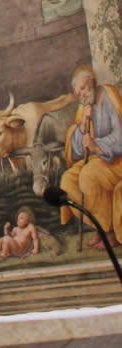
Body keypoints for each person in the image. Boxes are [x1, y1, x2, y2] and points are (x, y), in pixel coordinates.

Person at [59, 65, 122, 249]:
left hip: (117, 159)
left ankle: (110, 231)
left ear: (92, 82)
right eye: (78, 94)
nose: (83, 95)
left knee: (88, 175)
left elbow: (120, 136)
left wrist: (97, 145)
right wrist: (82, 126)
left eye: (84, 88)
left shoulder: (109, 96)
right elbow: (77, 152)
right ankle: (100, 226)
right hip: (96, 159)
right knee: (67, 182)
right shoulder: (84, 109)